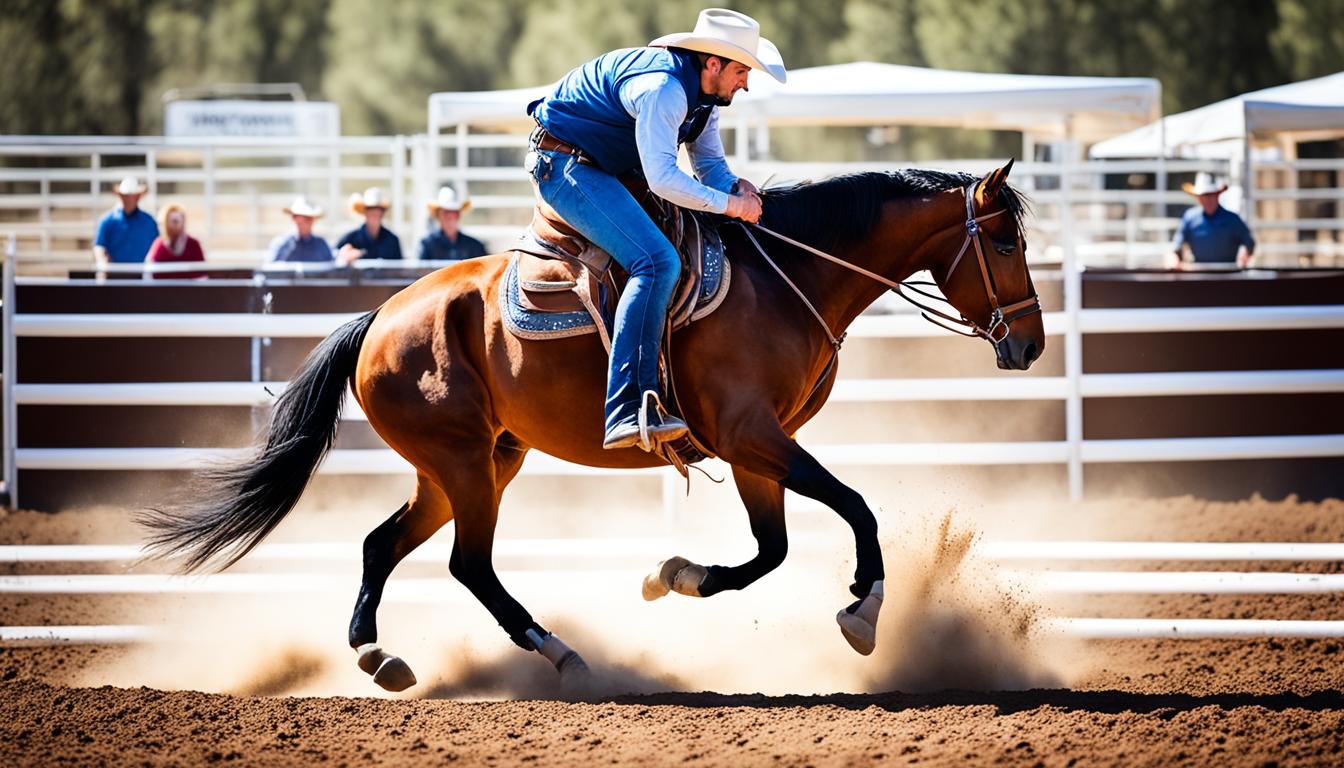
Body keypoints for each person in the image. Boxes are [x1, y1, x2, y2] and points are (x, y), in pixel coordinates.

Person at [525, 8, 783, 451]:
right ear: (713, 63)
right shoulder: (665, 89)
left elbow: (709, 167)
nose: (746, 82)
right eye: (742, 70)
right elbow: (663, 178)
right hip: (565, 164)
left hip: (604, 167)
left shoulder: (704, 97)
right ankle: (626, 408)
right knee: (657, 262)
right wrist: (731, 205)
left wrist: (736, 189)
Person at [1168, 172, 1256, 269]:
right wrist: (1174, 259)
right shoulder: (1190, 218)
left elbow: (1249, 244)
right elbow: (1176, 245)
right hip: (1199, 275)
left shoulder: (1233, 219)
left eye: (1211, 195)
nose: (1208, 199)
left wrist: (1244, 257)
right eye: (1204, 196)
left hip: (1228, 276)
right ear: (1199, 198)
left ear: (1217, 195)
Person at [93, 176, 159, 267]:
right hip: (115, 275)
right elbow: (99, 246)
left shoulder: (149, 222)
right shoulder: (108, 221)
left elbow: (157, 247)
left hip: (143, 274)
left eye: (131, 196)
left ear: (138, 197)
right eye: (125, 196)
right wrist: (103, 263)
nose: (128, 199)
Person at [335, 187, 402, 265]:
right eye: (371, 210)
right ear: (365, 213)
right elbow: (332, 257)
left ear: (382, 213)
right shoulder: (350, 238)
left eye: (378, 210)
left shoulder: (392, 240)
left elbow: (399, 268)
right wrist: (344, 256)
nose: (375, 214)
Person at [418, 186, 487, 261]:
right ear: (438, 215)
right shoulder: (427, 244)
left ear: (458, 214)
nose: (450, 216)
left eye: (453, 211)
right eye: (446, 212)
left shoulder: (474, 245)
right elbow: (422, 270)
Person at [145, 202, 205, 279]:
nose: (175, 225)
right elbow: (149, 272)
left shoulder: (193, 244)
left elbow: (202, 274)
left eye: (177, 221)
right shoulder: (158, 245)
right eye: (171, 221)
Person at [268, 197, 333, 263]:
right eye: (296, 216)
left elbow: (330, 267)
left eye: (307, 218)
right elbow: (270, 268)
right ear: (293, 218)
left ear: (313, 219)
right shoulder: (281, 243)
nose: (301, 220)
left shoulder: (321, 245)